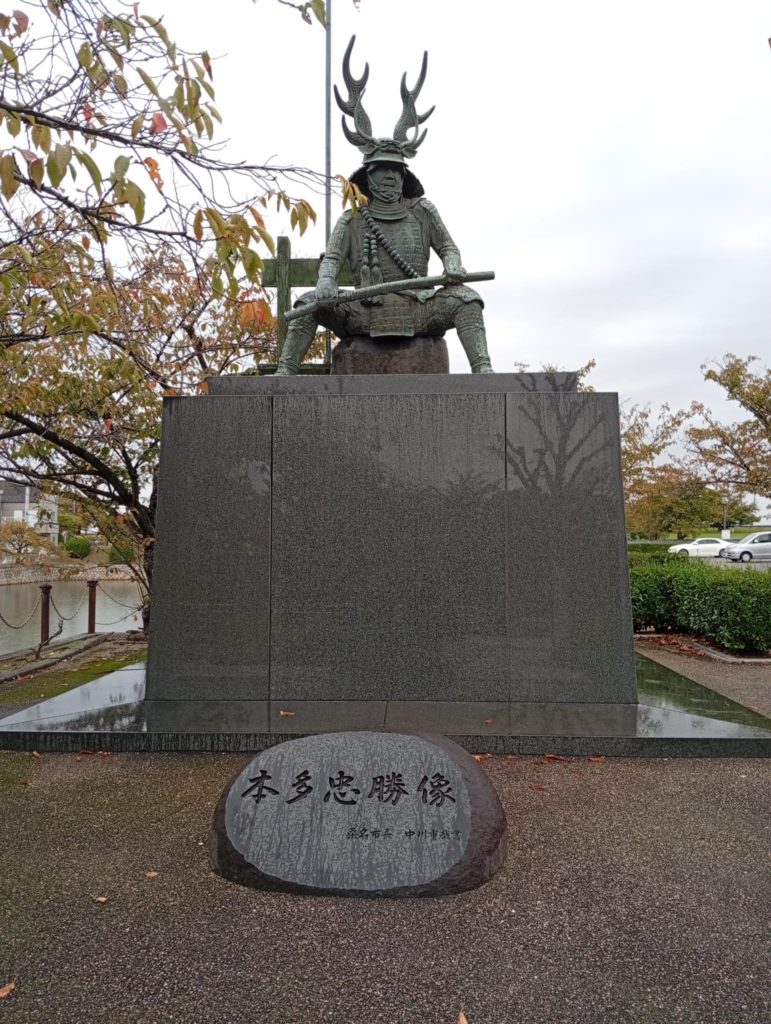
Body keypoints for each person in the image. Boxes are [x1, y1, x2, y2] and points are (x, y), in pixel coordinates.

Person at [274, 40, 494, 375]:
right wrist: (327, 283)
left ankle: (484, 370)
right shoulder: (352, 219)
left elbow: (448, 247)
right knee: (308, 304)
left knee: (467, 300)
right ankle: (285, 371)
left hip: (419, 309)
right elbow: (331, 260)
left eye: (395, 171)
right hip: (365, 310)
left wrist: (452, 264)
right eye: (382, 170)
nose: (390, 176)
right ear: (368, 176)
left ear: (404, 176)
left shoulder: (423, 211)